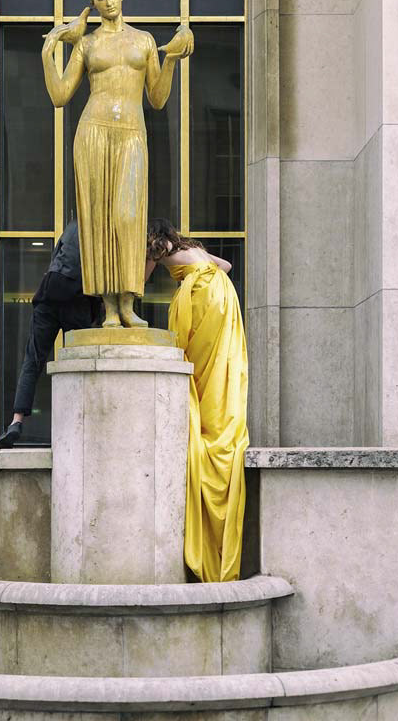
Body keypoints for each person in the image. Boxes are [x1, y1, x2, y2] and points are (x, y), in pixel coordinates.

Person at [40, 0, 193, 329]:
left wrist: (170, 57)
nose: (108, 2)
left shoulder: (144, 40)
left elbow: (156, 98)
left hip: (131, 134)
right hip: (93, 133)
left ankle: (128, 302)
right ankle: (109, 309)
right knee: (101, 220)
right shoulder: (89, 44)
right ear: (94, 5)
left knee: (127, 217)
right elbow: (60, 95)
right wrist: (49, 52)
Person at [145, 218, 249, 582]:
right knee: (217, 367)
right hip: (223, 297)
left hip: (202, 297)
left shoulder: (159, 251)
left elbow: (138, 281)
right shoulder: (193, 249)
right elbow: (227, 267)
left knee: (191, 366)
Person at [0, 220, 100, 449]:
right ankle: (80, 425)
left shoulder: (74, 225)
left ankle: (16, 422)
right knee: (81, 363)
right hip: (78, 298)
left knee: (32, 361)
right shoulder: (103, 228)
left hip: (50, 292)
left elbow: (57, 256)